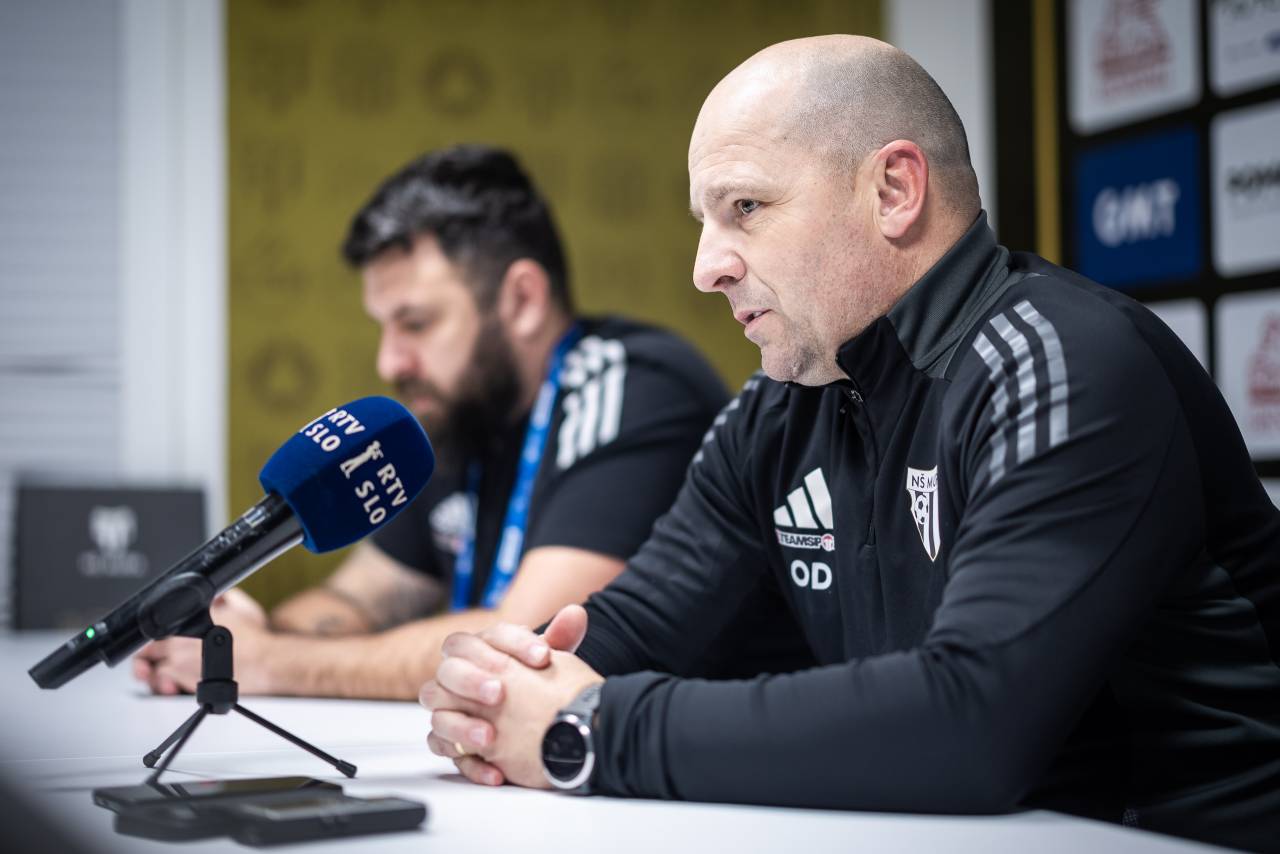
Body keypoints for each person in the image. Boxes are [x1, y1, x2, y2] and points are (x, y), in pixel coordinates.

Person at [419, 37, 1280, 852]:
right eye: (705, 221)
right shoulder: (780, 409)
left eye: (745, 208)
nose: (707, 267)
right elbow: (638, 623)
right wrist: (499, 690)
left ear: (894, 191)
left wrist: (593, 732)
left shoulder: (1063, 362)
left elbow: (971, 722)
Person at [131, 144, 729, 701]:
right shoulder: (460, 416)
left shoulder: (634, 386)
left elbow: (533, 641)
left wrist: (268, 661)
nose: (390, 362)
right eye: (384, 327)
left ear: (522, 300)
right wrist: (237, 633)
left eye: (415, 323)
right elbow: (360, 598)